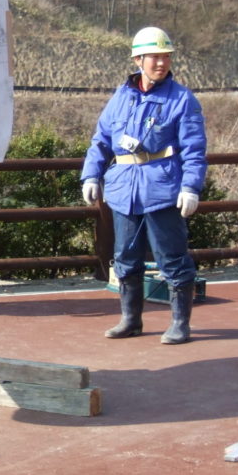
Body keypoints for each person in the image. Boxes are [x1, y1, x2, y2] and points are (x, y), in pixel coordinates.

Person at [81, 26, 207, 345]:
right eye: (154, 56)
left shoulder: (182, 100)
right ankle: (131, 319)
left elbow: (194, 148)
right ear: (138, 59)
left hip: (163, 189)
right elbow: (102, 140)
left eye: (165, 56)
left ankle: (180, 323)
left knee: (173, 259)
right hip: (124, 190)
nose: (161, 63)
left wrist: (191, 187)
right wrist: (91, 175)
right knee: (125, 257)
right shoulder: (121, 97)